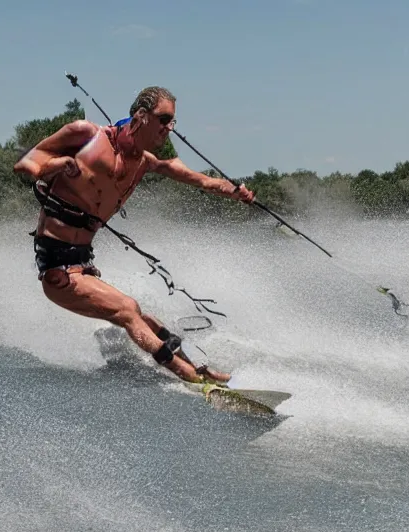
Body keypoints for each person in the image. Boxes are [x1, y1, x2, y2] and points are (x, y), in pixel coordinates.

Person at [14, 86, 255, 383]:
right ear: (141, 116)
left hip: (83, 264)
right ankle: (189, 377)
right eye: (164, 119)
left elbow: (201, 180)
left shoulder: (145, 162)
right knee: (128, 310)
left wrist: (236, 191)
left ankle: (201, 369)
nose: (170, 129)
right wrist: (54, 166)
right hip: (56, 269)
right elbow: (25, 162)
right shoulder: (85, 134)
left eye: (173, 122)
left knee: (141, 314)